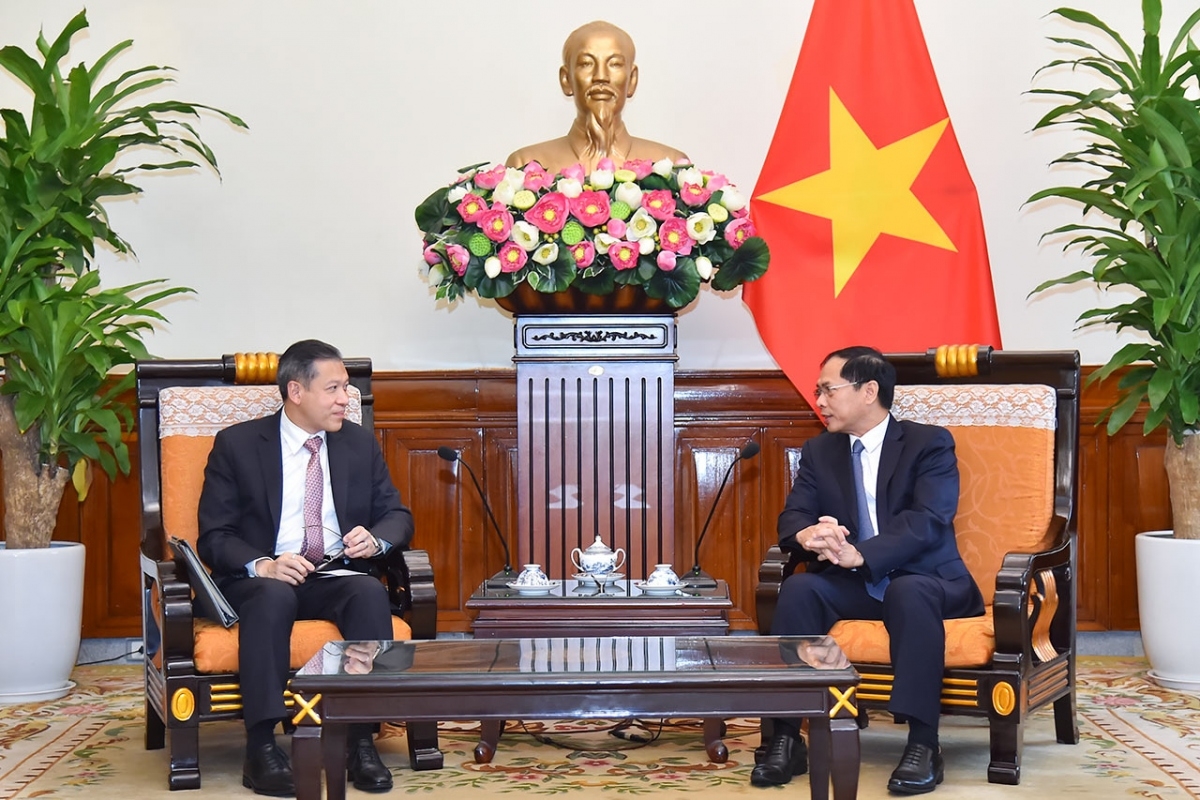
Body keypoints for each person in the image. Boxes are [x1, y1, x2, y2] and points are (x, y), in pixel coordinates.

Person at [752, 346, 984, 796]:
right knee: (800, 590)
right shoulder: (821, 451)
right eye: (818, 391)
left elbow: (929, 521)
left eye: (827, 390)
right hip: (857, 587)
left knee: (908, 592)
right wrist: (807, 537)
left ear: (869, 391)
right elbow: (793, 516)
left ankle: (922, 743)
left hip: (930, 581)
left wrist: (864, 554)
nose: (818, 401)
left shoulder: (928, 442)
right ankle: (784, 736)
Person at [198, 339, 412, 796]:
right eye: (333, 388)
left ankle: (359, 742)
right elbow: (214, 536)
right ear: (296, 392)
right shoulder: (237, 445)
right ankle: (261, 747)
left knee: (368, 592)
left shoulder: (357, 442)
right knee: (274, 596)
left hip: (331, 574)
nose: (344, 399)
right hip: (260, 581)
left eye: (347, 388)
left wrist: (375, 540)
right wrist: (264, 565)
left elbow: (397, 515)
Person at [506, 20, 687, 175]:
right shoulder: (526, 166)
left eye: (615, 64)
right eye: (586, 63)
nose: (601, 76)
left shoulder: (672, 166)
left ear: (632, 80)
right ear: (566, 80)